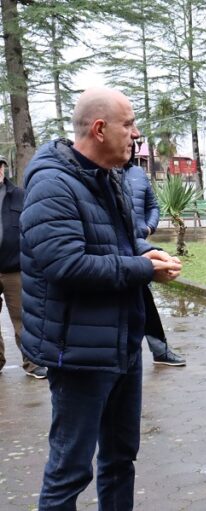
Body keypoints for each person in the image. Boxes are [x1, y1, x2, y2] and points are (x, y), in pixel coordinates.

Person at [20, 87, 182, 510]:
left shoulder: (109, 177)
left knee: (119, 458)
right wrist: (144, 269)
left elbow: (118, 245)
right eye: (128, 125)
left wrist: (146, 254)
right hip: (77, 354)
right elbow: (67, 265)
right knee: (69, 471)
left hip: (121, 344)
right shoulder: (52, 185)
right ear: (99, 128)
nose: (135, 133)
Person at [124, 163, 186, 366]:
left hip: (140, 244)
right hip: (115, 246)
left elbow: (153, 206)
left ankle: (159, 349)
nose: (131, 140)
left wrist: (148, 228)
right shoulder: (103, 171)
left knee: (145, 299)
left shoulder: (137, 173)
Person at [0, 155, 46, 378]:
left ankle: (32, 362)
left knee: (23, 317)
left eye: (0, 166)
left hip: (14, 267)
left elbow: (34, 227)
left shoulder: (19, 195)